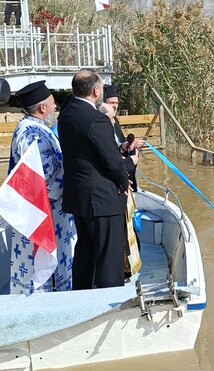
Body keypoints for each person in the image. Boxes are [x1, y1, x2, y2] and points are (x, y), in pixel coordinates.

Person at [58, 69, 137, 290]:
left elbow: (88, 153)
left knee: (86, 252)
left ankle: (81, 296)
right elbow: (112, 162)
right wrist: (129, 167)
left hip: (79, 196)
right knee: (109, 258)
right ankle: (108, 305)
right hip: (102, 199)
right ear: (95, 91)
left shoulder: (66, 115)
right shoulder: (96, 119)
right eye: (101, 87)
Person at [8, 81, 76, 294]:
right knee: (40, 262)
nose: (56, 107)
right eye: (53, 104)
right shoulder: (32, 135)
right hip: (44, 212)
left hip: (47, 211)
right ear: (42, 108)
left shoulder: (35, 128)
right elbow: (42, 181)